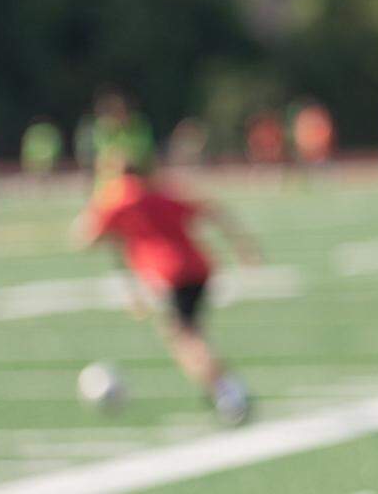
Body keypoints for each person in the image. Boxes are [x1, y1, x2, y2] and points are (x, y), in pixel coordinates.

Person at [73, 156, 262, 424]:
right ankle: (222, 389)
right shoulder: (158, 193)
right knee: (183, 334)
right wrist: (243, 244)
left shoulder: (119, 198)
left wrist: (97, 205)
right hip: (198, 267)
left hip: (173, 274)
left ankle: (230, 392)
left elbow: (83, 238)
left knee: (186, 338)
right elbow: (211, 209)